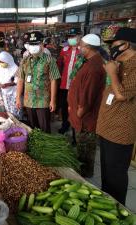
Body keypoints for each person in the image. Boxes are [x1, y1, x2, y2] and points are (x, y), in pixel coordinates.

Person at [96, 27, 136, 205]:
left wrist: (112, 72)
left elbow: (121, 95)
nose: (111, 49)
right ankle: (107, 203)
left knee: (116, 176)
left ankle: (118, 210)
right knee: (106, 172)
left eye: (114, 45)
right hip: (106, 127)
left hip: (120, 131)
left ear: (126, 45)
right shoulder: (119, 63)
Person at [67, 34, 106, 178]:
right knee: (82, 149)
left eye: (81, 45)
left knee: (85, 151)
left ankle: (84, 178)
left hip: (85, 120)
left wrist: (78, 113)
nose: (79, 47)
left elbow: (87, 97)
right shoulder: (90, 62)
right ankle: (82, 173)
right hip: (81, 116)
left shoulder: (93, 68)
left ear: (88, 48)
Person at [16, 31, 61, 133]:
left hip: (43, 101)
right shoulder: (24, 61)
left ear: (41, 44)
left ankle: (45, 148)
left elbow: (54, 80)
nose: (33, 47)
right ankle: (36, 147)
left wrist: (53, 100)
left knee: (44, 128)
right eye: (31, 44)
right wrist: (18, 97)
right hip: (29, 100)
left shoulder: (49, 60)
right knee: (32, 128)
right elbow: (20, 79)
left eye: (35, 44)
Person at [57, 28, 81, 134]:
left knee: (75, 107)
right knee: (64, 105)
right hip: (64, 84)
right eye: (70, 37)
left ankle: (76, 127)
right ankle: (65, 125)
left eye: (73, 36)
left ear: (79, 36)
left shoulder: (84, 51)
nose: (71, 39)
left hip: (77, 86)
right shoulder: (64, 50)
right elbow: (59, 65)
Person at [0, 51, 22, 119]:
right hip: (4, 93)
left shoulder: (15, 68)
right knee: (7, 111)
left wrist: (7, 84)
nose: (1, 64)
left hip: (14, 93)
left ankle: (17, 125)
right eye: (0, 62)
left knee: (15, 111)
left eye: (2, 62)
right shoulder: (0, 67)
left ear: (7, 60)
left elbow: (17, 82)